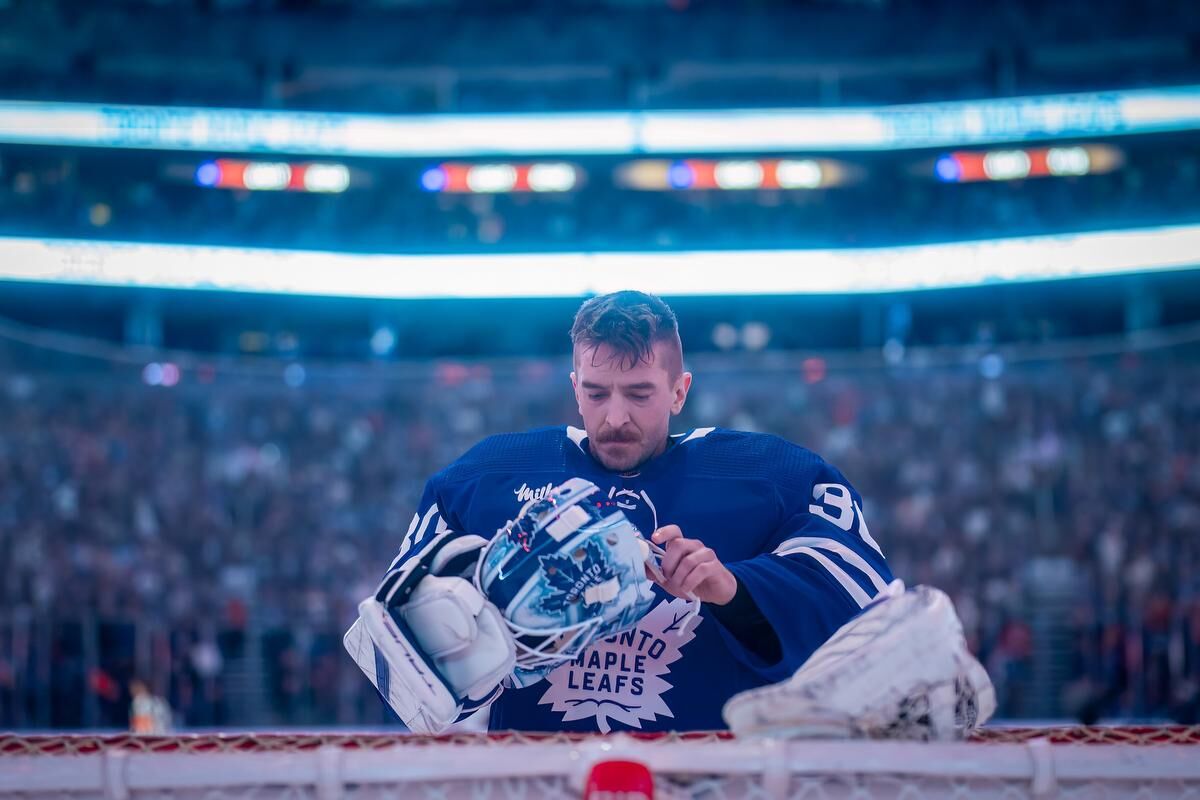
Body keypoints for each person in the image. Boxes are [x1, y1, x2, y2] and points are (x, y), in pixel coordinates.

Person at [349, 290, 919, 733]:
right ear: (574, 388)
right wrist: (479, 610)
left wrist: (733, 589)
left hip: (711, 780)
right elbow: (396, 656)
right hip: (536, 777)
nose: (615, 416)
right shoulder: (484, 478)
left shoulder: (772, 477)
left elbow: (867, 605)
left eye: (640, 393)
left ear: (679, 390)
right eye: (596, 392)